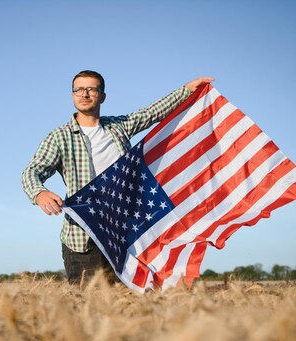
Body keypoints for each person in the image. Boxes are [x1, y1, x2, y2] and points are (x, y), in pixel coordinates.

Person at [22, 70, 214, 283]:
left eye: (91, 89)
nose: (84, 94)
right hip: (83, 238)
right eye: (78, 89)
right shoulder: (59, 137)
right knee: (88, 306)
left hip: (124, 233)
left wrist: (187, 89)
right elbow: (32, 171)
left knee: (129, 307)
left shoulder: (118, 127)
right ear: (72, 95)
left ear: (102, 96)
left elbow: (151, 113)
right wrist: (39, 193)